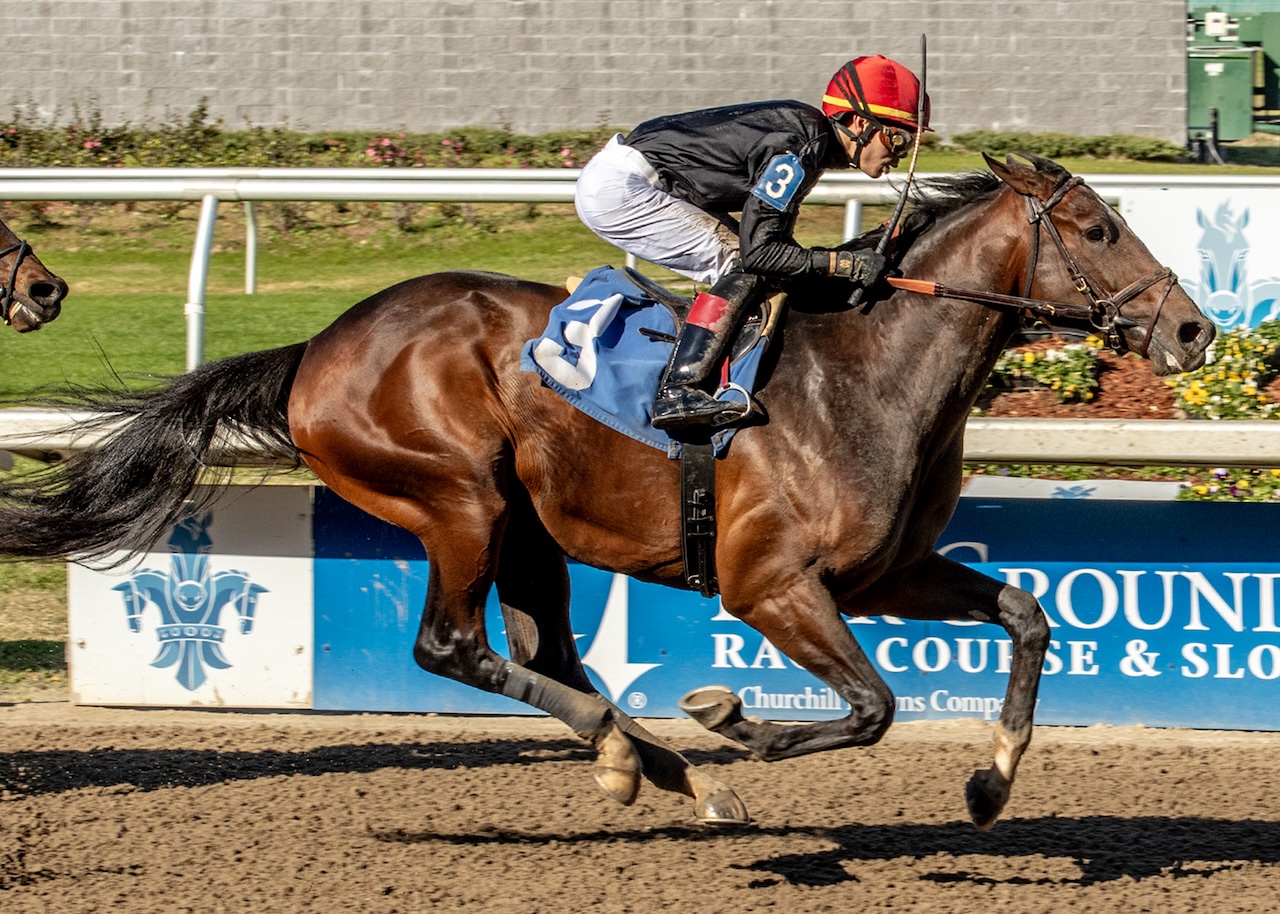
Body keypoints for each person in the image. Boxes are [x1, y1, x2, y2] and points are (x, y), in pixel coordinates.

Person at [574, 55, 931, 430]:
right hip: (623, 188)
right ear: (861, 123)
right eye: (898, 138)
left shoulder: (810, 142)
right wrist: (846, 265)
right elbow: (762, 254)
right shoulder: (800, 146)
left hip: (639, 178)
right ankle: (679, 388)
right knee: (742, 265)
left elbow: (777, 245)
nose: (900, 154)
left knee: (760, 266)